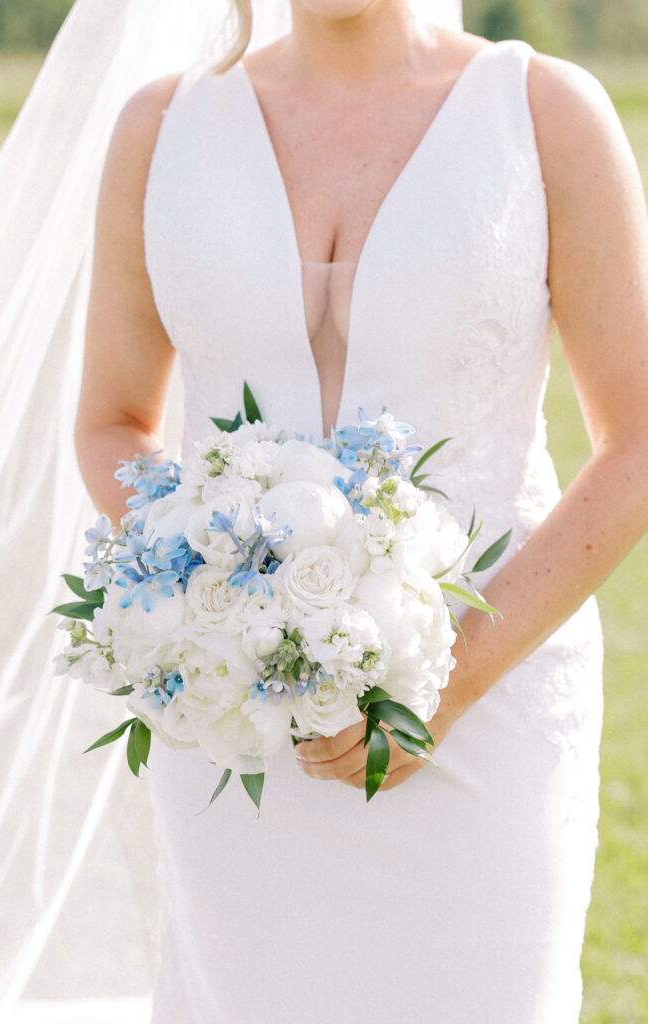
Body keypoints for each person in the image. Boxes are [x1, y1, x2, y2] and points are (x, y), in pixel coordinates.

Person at [69, 0, 648, 1021]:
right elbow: (113, 422)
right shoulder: (160, 129)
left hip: (489, 724)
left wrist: (452, 678)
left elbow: (636, 441)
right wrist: (213, 609)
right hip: (244, 742)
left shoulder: (543, 113)